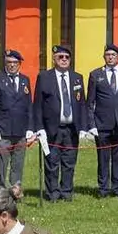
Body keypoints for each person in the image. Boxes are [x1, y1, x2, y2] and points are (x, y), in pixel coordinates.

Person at [32, 44, 87, 202]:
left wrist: (83, 127)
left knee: (69, 162)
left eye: (67, 57)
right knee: (52, 162)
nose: (64, 60)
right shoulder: (44, 77)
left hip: (71, 129)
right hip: (52, 128)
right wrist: (39, 128)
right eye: (60, 57)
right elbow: (38, 105)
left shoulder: (77, 77)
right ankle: (53, 193)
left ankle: (67, 192)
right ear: (54, 59)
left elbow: (81, 104)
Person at [87, 43, 118, 198]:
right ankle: (103, 189)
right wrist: (92, 125)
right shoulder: (96, 75)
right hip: (102, 125)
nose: (110, 57)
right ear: (104, 57)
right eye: (107, 55)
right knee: (103, 159)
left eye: (113, 55)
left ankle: (117, 188)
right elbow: (90, 102)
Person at [0, 49, 34, 199]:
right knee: (2, 165)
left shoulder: (25, 80)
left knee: (18, 164)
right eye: (9, 62)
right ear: (5, 63)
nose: (12, 65)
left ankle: (15, 192)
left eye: (15, 62)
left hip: (20, 131)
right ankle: (0, 194)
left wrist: (30, 128)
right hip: (3, 130)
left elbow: (29, 106)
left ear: (19, 64)